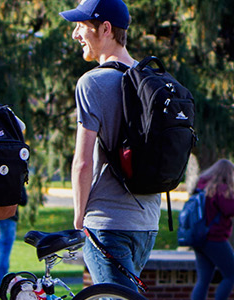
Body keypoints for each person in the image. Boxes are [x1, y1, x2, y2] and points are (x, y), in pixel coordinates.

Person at [60, 0, 163, 292]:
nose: (75, 34)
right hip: (147, 221)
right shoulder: (152, 79)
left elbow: (82, 161)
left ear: (105, 29)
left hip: (107, 222)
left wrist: (79, 216)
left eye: (81, 26)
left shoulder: (92, 83)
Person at [189, 160, 234, 300]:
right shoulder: (222, 189)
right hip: (215, 238)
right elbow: (230, 209)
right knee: (231, 275)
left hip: (199, 236)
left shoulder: (201, 185)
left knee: (203, 279)